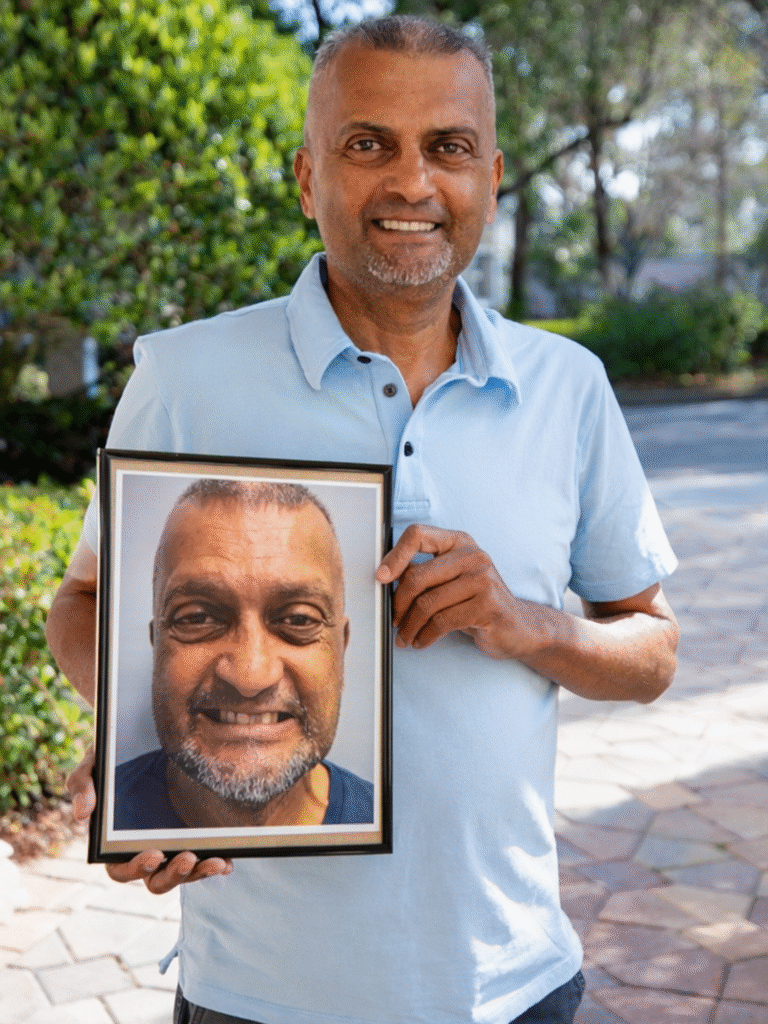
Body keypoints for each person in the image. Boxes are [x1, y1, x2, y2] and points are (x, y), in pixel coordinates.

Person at [46, 15, 679, 1024]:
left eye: (449, 147)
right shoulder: (187, 376)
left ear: (493, 178)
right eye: (368, 144)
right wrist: (138, 734)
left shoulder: (570, 386)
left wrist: (525, 621)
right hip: (258, 997)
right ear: (308, 179)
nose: (412, 183)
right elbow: (80, 601)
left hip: (512, 984)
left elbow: (652, 648)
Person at [114, 478, 373, 831]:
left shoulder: (390, 824)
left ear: (341, 651)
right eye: (197, 618)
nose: (250, 676)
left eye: (299, 619)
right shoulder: (107, 814)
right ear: (156, 644)